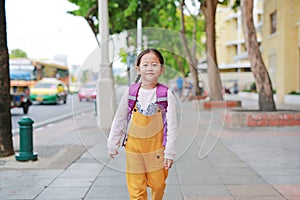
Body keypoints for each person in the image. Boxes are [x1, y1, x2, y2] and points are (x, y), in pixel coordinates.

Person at [107, 48, 178, 200]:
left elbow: (172, 126)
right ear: (138, 69)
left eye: (154, 64)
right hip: (134, 146)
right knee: (136, 188)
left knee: (158, 184)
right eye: (145, 65)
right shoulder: (131, 92)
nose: (150, 68)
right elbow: (120, 119)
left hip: (157, 147)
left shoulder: (166, 94)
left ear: (161, 69)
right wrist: (113, 142)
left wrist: (169, 153)